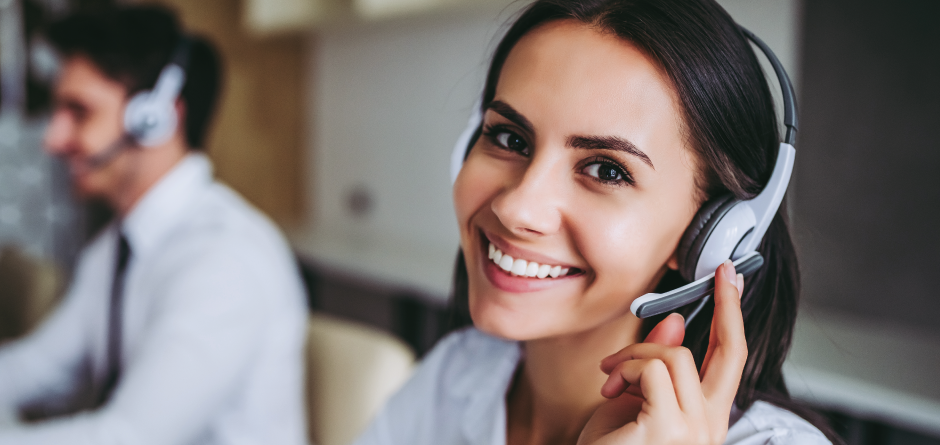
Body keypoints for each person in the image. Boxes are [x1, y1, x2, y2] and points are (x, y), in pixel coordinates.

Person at [355, 0, 841, 444]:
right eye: (509, 138)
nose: (517, 208)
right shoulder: (455, 378)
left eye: (607, 170)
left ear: (714, 234)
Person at [0, 6, 308, 445]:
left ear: (157, 118)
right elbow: (34, 370)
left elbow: (126, 437)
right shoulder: (117, 247)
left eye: (79, 111)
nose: (52, 138)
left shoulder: (223, 260)